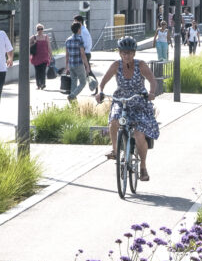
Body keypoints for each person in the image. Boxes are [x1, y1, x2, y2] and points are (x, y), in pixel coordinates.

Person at [96, 36, 159, 181]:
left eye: (129, 53)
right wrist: (100, 92)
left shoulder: (141, 65)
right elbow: (102, 82)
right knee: (114, 121)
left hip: (138, 102)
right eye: (124, 53)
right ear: (119, 53)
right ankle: (115, 150)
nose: (127, 56)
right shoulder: (115, 66)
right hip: (121, 101)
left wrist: (151, 93)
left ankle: (143, 167)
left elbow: (152, 80)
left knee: (139, 135)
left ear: (134, 53)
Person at [64, 21, 91, 101]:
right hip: (78, 64)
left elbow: (67, 55)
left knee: (74, 82)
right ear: (79, 29)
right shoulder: (80, 39)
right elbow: (82, 54)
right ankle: (72, 95)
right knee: (83, 82)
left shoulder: (68, 40)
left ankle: (73, 103)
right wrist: (87, 66)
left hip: (71, 64)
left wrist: (66, 67)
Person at [29, 23, 52, 90]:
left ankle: (43, 84)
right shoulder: (34, 37)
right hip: (36, 57)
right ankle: (38, 84)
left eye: (41, 29)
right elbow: (28, 45)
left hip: (44, 56)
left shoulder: (46, 37)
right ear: (36, 30)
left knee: (43, 71)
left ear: (43, 29)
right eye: (38, 29)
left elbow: (49, 46)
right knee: (37, 71)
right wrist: (33, 43)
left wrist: (51, 55)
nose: (40, 30)